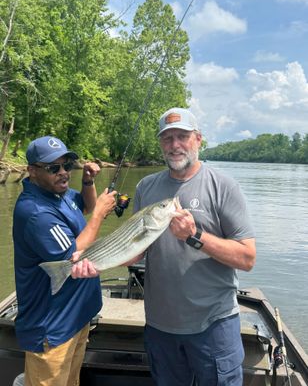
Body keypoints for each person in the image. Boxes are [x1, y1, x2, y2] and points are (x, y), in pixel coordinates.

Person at [73, 107, 256, 386]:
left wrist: (195, 237)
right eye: (167, 139)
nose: (175, 145)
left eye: (182, 136)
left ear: (198, 139)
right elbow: (135, 250)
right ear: (160, 144)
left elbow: (247, 258)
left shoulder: (224, 186)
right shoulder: (147, 186)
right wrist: (92, 261)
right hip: (160, 326)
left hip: (214, 324)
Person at [13, 135, 117, 386]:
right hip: (52, 328)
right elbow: (72, 255)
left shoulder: (60, 194)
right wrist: (101, 215)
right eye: (53, 168)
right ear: (32, 171)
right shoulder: (35, 212)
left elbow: (85, 206)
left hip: (76, 317)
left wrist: (88, 181)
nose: (63, 173)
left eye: (67, 166)